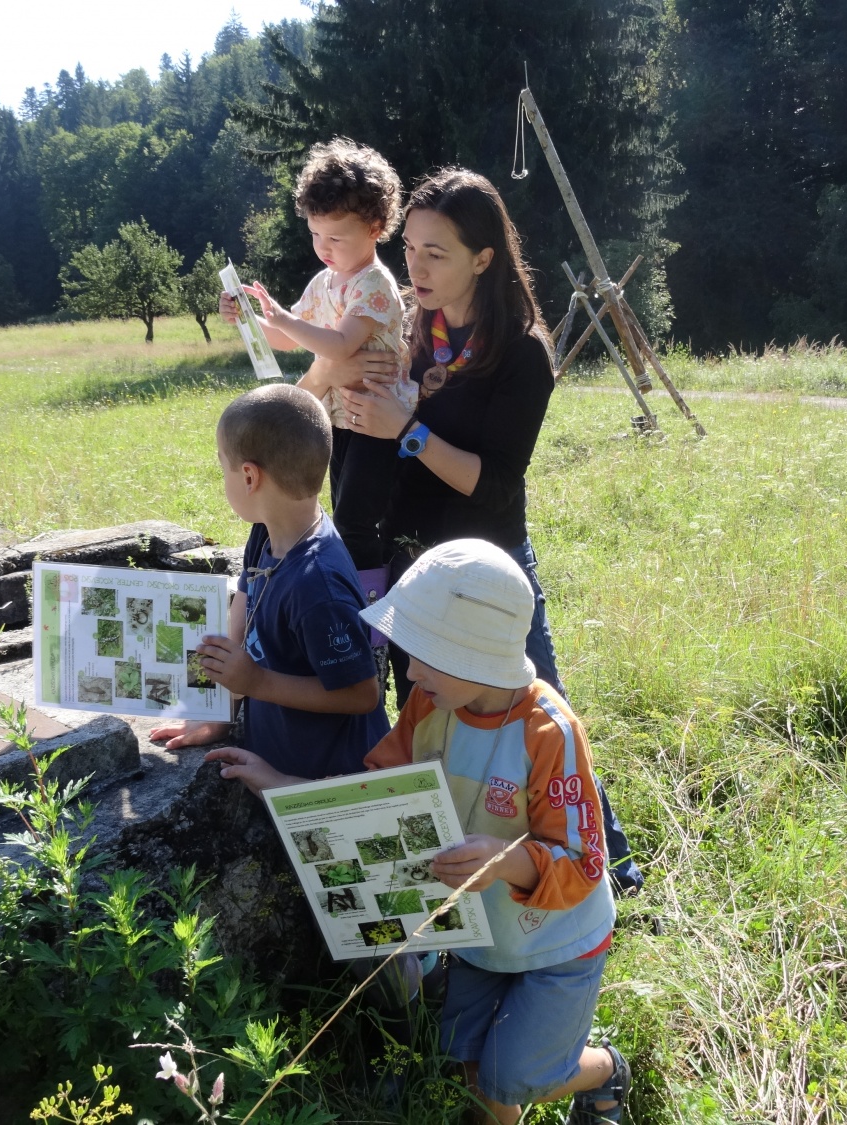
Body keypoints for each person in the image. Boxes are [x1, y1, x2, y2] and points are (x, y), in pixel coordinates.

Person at [208, 540, 631, 1125]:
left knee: (522, 1076)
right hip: (483, 939)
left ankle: (606, 1068)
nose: (408, 672)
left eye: (423, 656)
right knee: (470, 1065)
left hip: (556, 942)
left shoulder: (548, 732)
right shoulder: (429, 707)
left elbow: (585, 863)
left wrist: (506, 861)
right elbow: (380, 797)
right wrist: (281, 782)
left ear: (476, 656)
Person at [314, 167, 644, 895]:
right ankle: (446, 867)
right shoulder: (412, 328)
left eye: (438, 254)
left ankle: (611, 869)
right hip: (413, 568)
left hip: (491, 571)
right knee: (425, 723)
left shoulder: (521, 353)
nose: (417, 268)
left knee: (541, 718)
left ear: (484, 258)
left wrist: (408, 428)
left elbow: (494, 481)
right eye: (412, 249)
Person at [148, 382, 388, 780]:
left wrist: (255, 681)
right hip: (279, 757)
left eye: (221, 465)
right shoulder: (268, 529)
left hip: (327, 781)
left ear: (248, 477)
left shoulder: (317, 586)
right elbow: (244, 599)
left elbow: (361, 694)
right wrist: (220, 711)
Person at [219, 138, 412, 597]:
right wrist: (249, 320)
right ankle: (352, 595)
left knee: (355, 519)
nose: (323, 247)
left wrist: (283, 316)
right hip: (337, 418)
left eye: (336, 237)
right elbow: (290, 338)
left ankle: (369, 614)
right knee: (340, 510)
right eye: (315, 234)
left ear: (375, 227)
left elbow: (340, 345)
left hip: (376, 423)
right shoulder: (326, 280)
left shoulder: (374, 285)